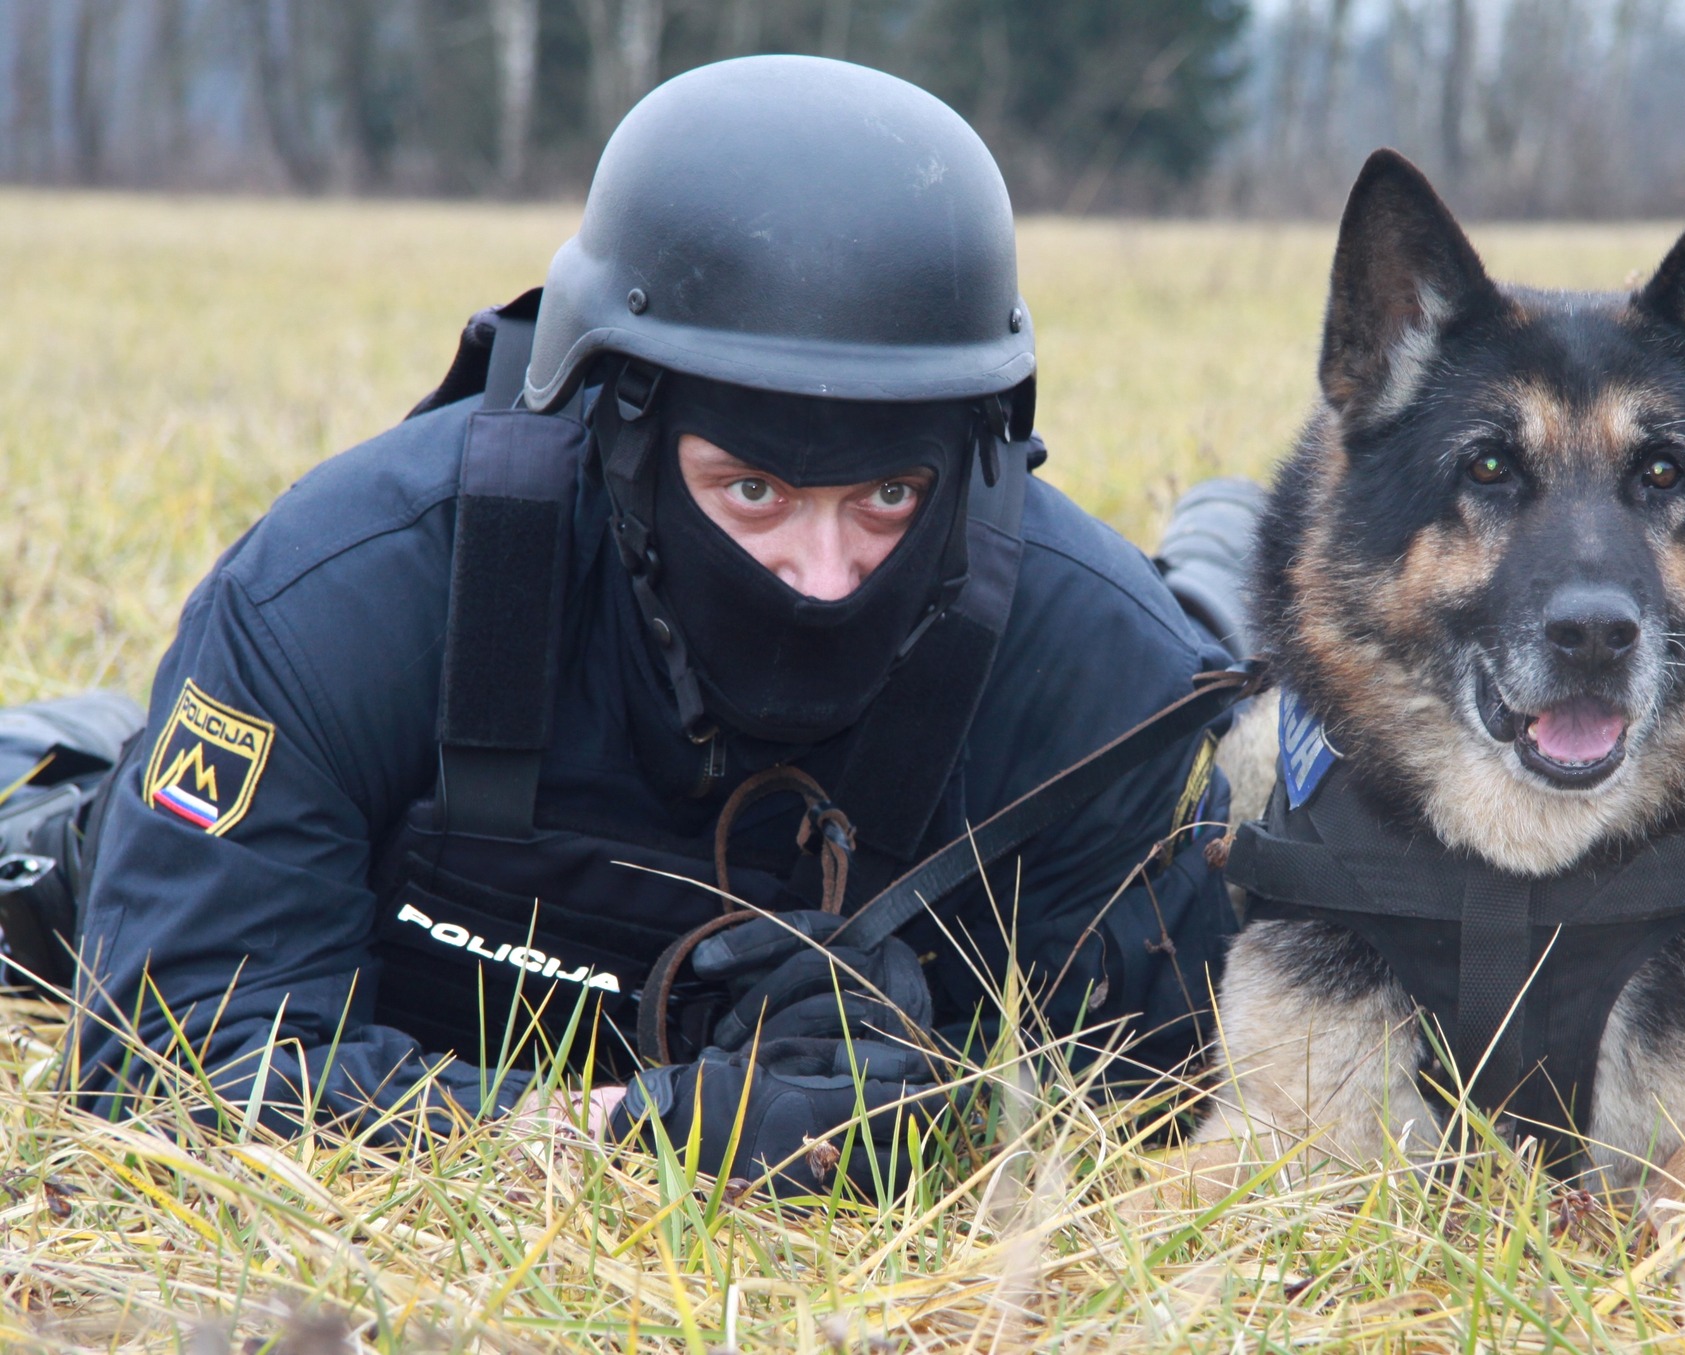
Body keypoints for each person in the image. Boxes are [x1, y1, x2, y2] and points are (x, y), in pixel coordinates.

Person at [60, 56, 1262, 1194]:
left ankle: (1216, 552)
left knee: (1197, 646)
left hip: (1119, 665)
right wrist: (641, 1129)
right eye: (755, 492)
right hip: (274, 851)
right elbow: (167, 1068)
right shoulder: (353, 589)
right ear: (621, 430)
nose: (826, 577)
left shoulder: (1100, 683)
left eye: (888, 497)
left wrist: (937, 1090)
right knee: (70, 858)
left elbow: (1172, 1102)